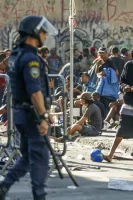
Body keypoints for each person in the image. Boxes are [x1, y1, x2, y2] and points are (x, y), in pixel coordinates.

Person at [0, 15, 58, 200]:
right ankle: (39, 195)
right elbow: (35, 92)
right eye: (42, 32)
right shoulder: (31, 59)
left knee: (26, 157)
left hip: (20, 113)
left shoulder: (16, 55)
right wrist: (42, 117)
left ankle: (4, 186)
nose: (45, 35)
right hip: (32, 115)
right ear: (35, 33)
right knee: (40, 158)